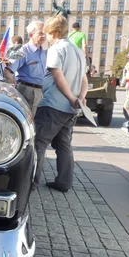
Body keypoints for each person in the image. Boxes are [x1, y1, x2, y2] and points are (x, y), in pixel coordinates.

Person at [33, 15, 88, 193]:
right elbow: (84, 79)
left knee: (38, 144)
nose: (46, 38)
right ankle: (64, 182)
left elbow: (58, 76)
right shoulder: (78, 50)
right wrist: (80, 97)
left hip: (53, 105)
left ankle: (31, 182)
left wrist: (71, 97)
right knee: (64, 145)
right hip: (70, 109)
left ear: (53, 33)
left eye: (47, 34)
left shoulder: (56, 49)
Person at [5, 21, 47, 115]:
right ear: (31, 34)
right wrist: (13, 90)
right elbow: (8, 70)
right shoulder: (22, 50)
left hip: (40, 92)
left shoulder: (43, 53)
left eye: (45, 33)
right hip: (26, 91)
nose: (44, 36)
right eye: (40, 33)